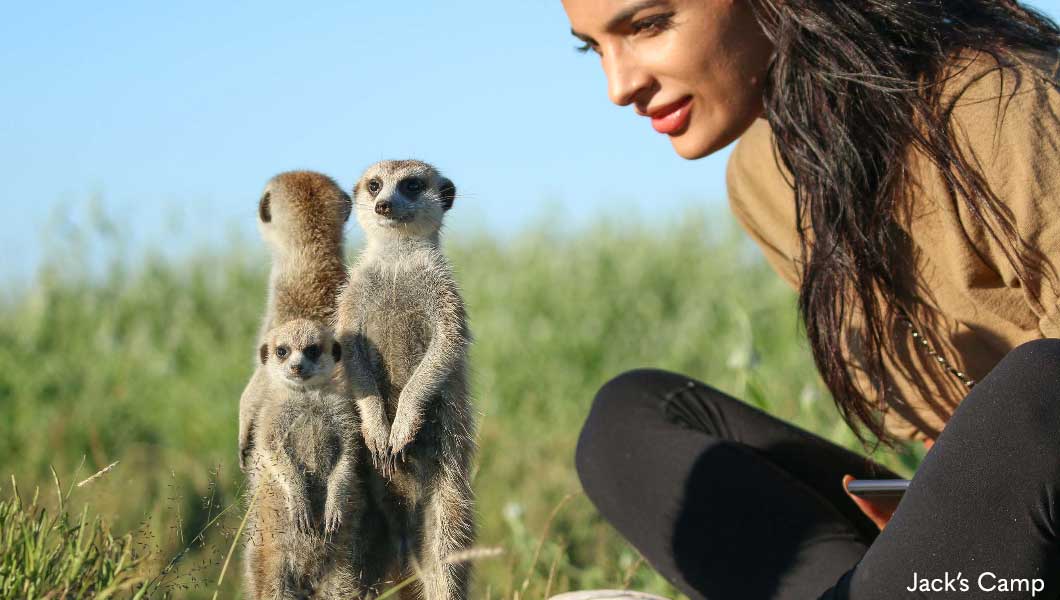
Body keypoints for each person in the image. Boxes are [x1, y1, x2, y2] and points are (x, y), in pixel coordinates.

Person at [561, 1, 1060, 598]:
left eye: (648, 25)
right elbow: (946, 430)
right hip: (974, 568)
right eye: (591, 47)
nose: (619, 86)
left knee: (1043, 381)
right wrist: (931, 521)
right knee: (630, 420)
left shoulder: (999, 100)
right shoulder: (766, 179)